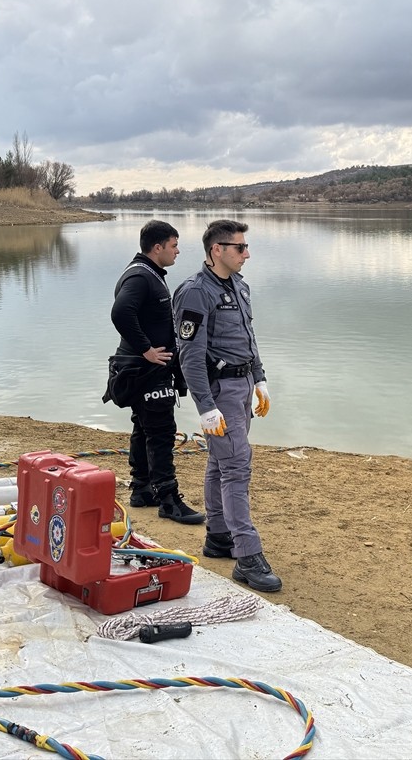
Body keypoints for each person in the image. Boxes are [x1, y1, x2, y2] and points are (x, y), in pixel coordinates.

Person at [172, 219, 280, 592]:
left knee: (221, 461)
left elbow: (248, 338)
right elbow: (190, 354)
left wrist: (260, 379)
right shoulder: (194, 293)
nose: (246, 253)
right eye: (239, 248)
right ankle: (247, 558)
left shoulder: (239, 285)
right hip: (219, 392)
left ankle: (218, 537)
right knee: (237, 466)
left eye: (246, 247)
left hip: (242, 386)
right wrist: (205, 407)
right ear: (217, 250)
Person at [106, 220, 204, 525]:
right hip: (147, 370)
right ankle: (168, 500)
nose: (178, 251)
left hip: (141, 369)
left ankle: (142, 489)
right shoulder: (140, 277)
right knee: (161, 432)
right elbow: (121, 313)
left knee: (143, 427)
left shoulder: (147, 274)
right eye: (174, 245)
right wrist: (147, 348)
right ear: (157, 247)